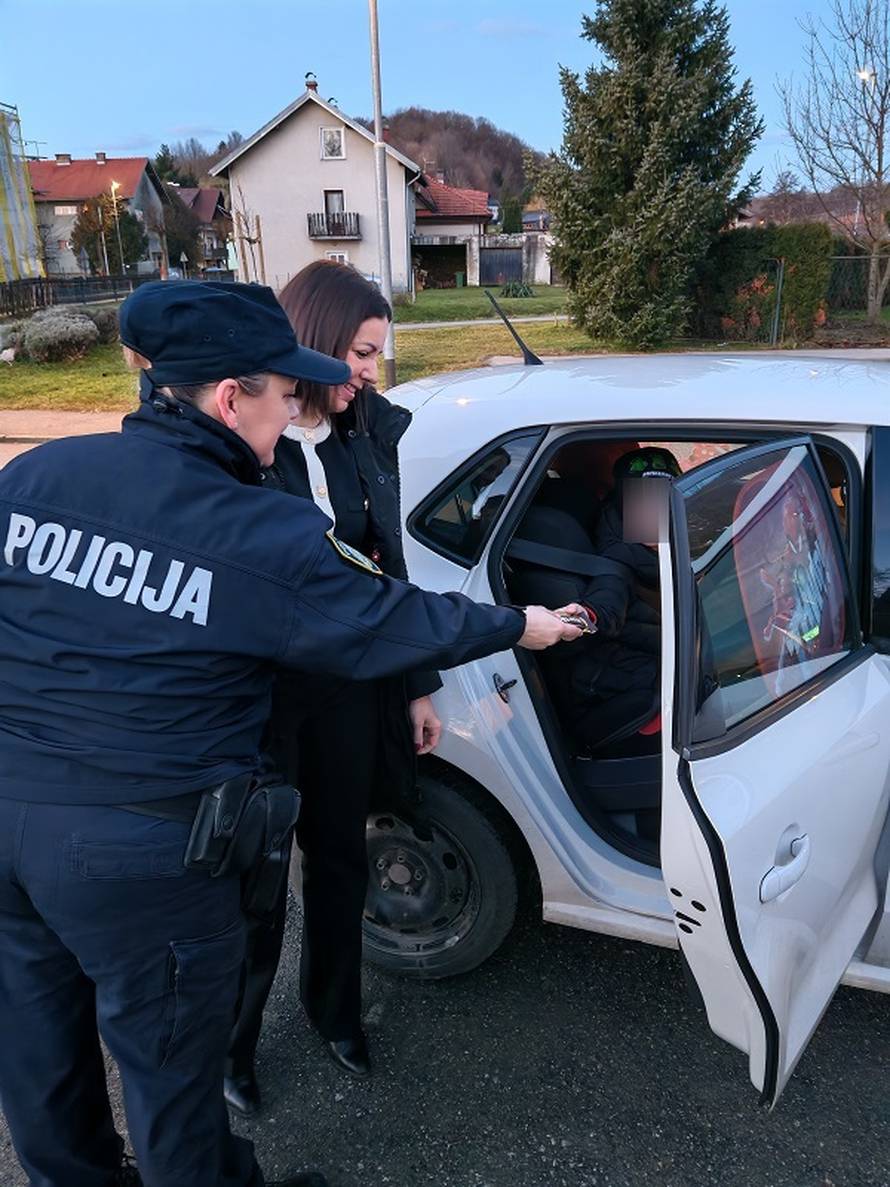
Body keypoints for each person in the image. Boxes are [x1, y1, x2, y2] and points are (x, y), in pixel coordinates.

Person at [0, 280, 583, 1187]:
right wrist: (521, 625)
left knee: (39, 1065)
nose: (291, 415)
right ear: (232, 398)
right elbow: (388, 617)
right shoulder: (255, 528)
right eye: (282, 394)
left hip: (11, 826)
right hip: (146, 856)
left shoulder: (34, 479)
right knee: (169, 1086)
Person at [224, 262, 435, 1113]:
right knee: (257, 884)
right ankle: (232, 1045)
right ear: (312, 342)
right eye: (359, 352)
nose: (370, 372)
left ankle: (335, 1012)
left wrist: (416, 684)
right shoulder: (243, 446)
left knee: (341, 859)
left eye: (379, 354)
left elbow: (388, 564)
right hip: (262, 705)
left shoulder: (362, 437)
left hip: (348, 690)